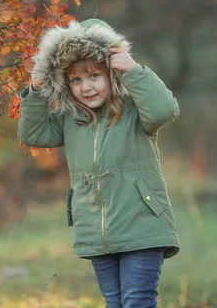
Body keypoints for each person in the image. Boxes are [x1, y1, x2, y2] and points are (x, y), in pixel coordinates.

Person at [17, 18, 181, 308]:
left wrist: (133, 70)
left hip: (141, 225)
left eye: (94, 76)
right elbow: (32, 133)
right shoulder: (70, 119)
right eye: (76, 80)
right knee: (114, 303)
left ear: (112, 74)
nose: (86, 87)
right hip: (97, 229)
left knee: (137, 301)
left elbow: (164, 110)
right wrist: (37, 90)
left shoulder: (134, 111)